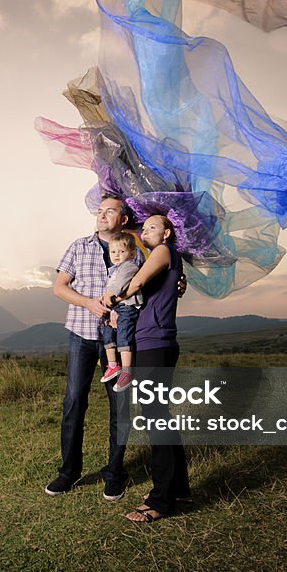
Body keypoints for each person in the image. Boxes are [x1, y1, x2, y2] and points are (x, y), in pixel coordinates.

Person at [46, 195, 143, 501]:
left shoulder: (135, 249)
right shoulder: (79, 246)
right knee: (74, 401)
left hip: (118, 338)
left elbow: (153, 278)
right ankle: (69, 472)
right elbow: (59, 287)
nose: (102, 215)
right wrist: (88, 303)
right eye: (99, 211)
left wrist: (178, 280)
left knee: (120, 404)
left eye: (109, 211)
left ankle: (115, 473)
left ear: (123, 219)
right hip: (81, 334)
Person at [106, 214, 190, 522]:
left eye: (153, 226)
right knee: (160, 417)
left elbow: (136, 282)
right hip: (152, 341)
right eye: (145, 226)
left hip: (156, 342)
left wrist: (112, 298)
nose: (146, 230)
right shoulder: (160, 257)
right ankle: (177, 487)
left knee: (156, 418)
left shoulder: (162, 252)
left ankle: (161, 500)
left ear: (167, 233)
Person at [99, 232, 143, 393]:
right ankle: (112, 365)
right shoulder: (113, 269)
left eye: (122, 251)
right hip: (115, 307)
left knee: (124, 336)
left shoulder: (129, 266)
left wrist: (109, 295)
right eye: (113, 252)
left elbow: (120, 284)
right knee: (107, 332)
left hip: (127, 307)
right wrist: (105, 299)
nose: (117, 255)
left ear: (131, 253)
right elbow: (109, 289)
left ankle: (127, 371)